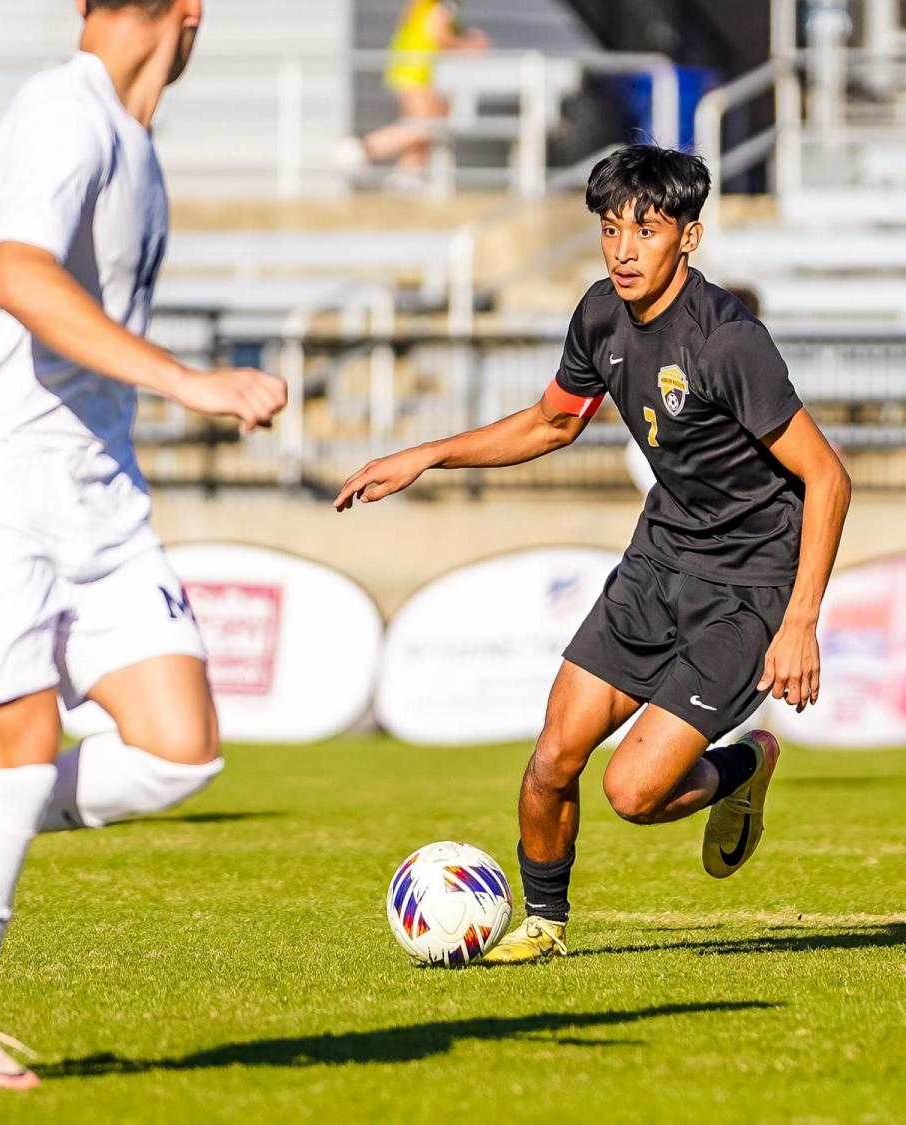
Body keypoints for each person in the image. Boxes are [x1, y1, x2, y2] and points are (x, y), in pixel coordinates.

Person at [0, 0, 286, 1089]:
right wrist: (189, 380)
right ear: (191, 12)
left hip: (92, 490)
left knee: (177, 749)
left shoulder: (132, 137)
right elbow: (21, 276)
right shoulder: (64, 111)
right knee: (16, 758)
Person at [336, 144, 852, 963]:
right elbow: (551, 422)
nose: (622, 250)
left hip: (747, 588)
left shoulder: (728, 341)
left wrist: (799, 622)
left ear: (689, 236)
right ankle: (545, 925)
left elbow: (826, 476)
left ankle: (743, 765)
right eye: (611, 229)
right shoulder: (600, 315)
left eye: (644, 231)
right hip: (657, 564)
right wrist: (425, 454)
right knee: (552, 758)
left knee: (635, 794)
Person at [347, 0, 488, 181]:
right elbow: (437, 33)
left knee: (424, 131)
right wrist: (465, 46)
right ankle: (364, 148)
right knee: (425, 126)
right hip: (419, 71)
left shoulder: (426, 6)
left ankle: (408, 178)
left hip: (412, 69)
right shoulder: (442, 5)